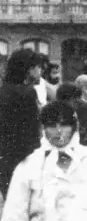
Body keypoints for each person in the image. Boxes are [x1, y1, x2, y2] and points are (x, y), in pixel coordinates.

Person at [0, 49, 43, 198]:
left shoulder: (3, 90)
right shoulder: (28, 93)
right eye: (38, 67)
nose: (40, 71)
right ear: (29, 69)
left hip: (5, 155)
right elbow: (32, 129)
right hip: (23, 155)